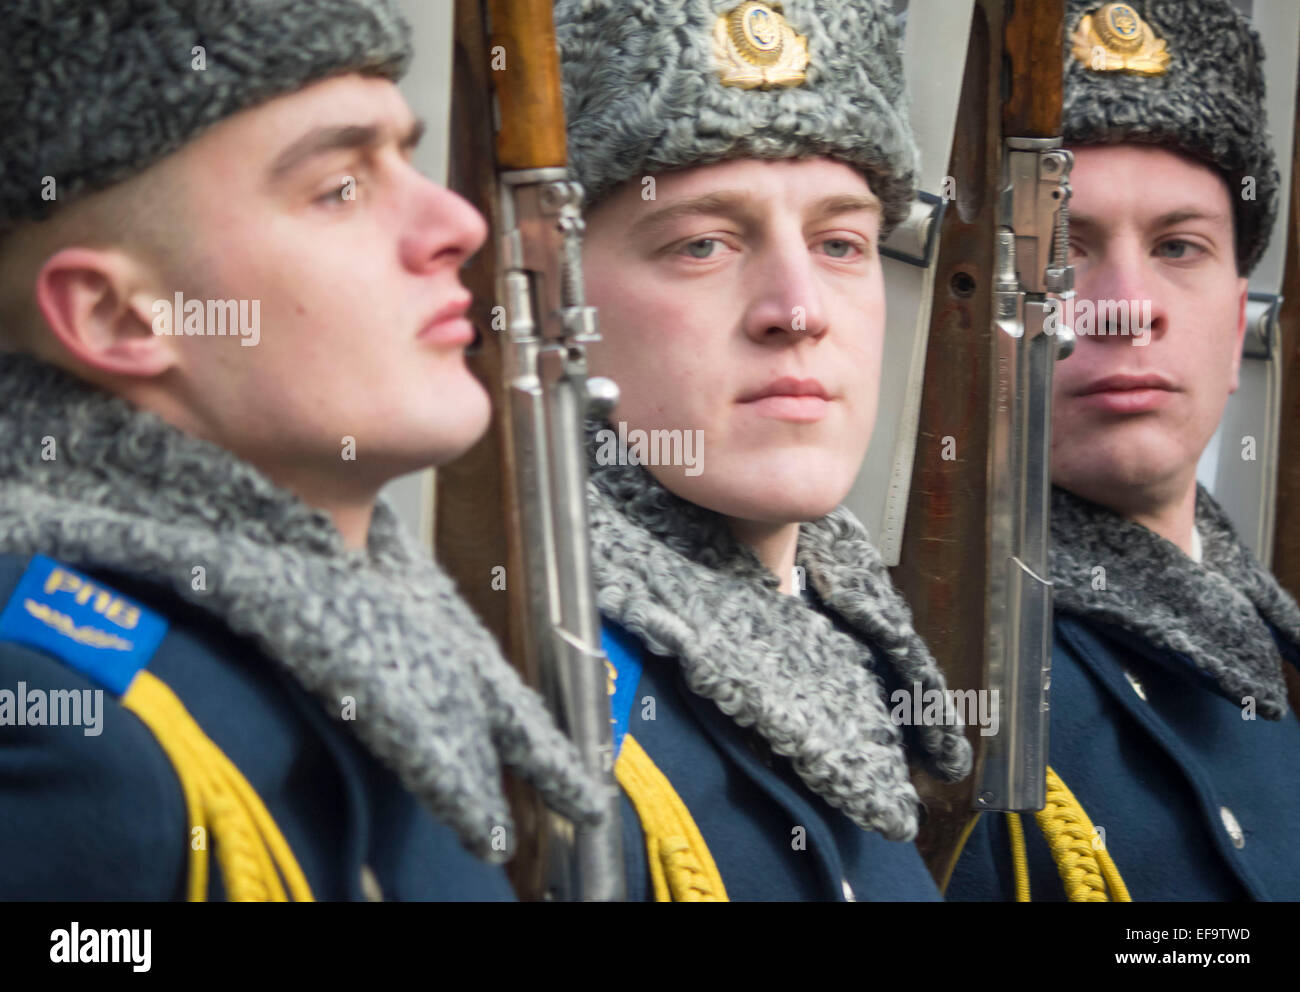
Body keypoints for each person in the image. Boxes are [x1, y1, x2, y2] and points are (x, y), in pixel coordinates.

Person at [0, 0, 602, 901]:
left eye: (405, 155)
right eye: (340, 187)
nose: (458, 224)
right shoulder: (71, 732)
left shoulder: (401, 661)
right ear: (115, 316)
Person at [554, 0, 972, 901]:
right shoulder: (551, 696)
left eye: (840, 243)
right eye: (703, 243)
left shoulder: (861, 655)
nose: (798, 306)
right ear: (558, 301)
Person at [948, 0, 1300, 901]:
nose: (1124, 305)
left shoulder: (1278, 658)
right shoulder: (935, 684)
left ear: (1234, 327)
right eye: (1064, 251)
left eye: (1179, 246)